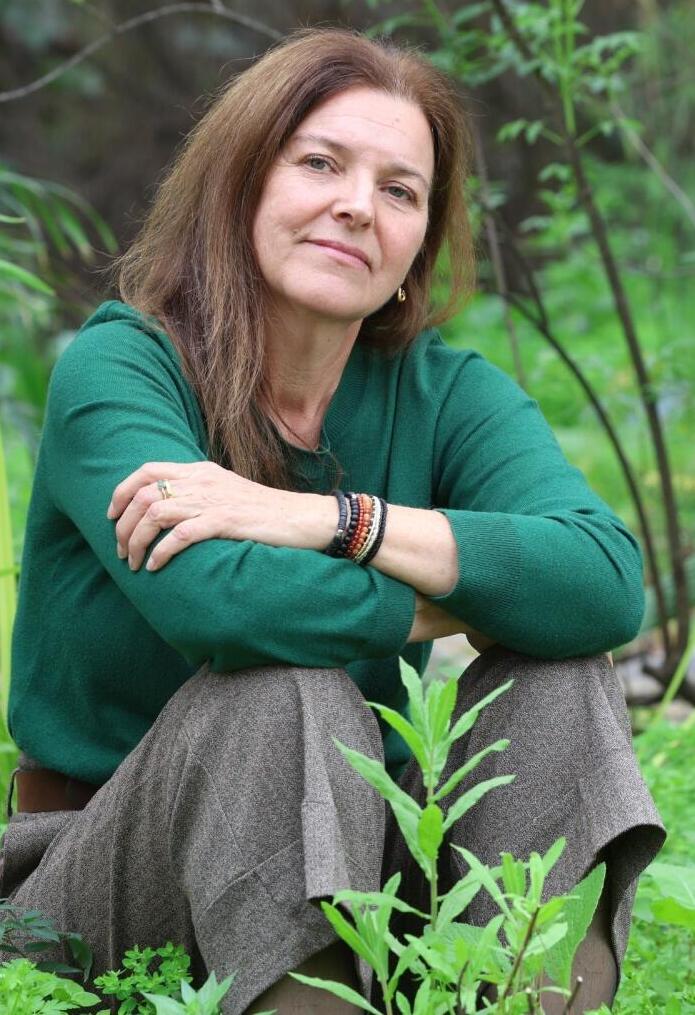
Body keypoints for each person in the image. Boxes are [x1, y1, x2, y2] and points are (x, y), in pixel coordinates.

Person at [2, 28, 663, 1015]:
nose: (358, 204)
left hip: (370, 872)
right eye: (319, 163)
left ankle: (519, 998)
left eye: (399, 190)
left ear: (414, 247)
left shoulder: (444, 393)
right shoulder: (123, 368)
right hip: (103, 879)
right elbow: (221, 605)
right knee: (280, 690)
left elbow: (602, 582)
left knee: (559, 673)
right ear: (240, 186)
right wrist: (462, 594)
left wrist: (332, 520)